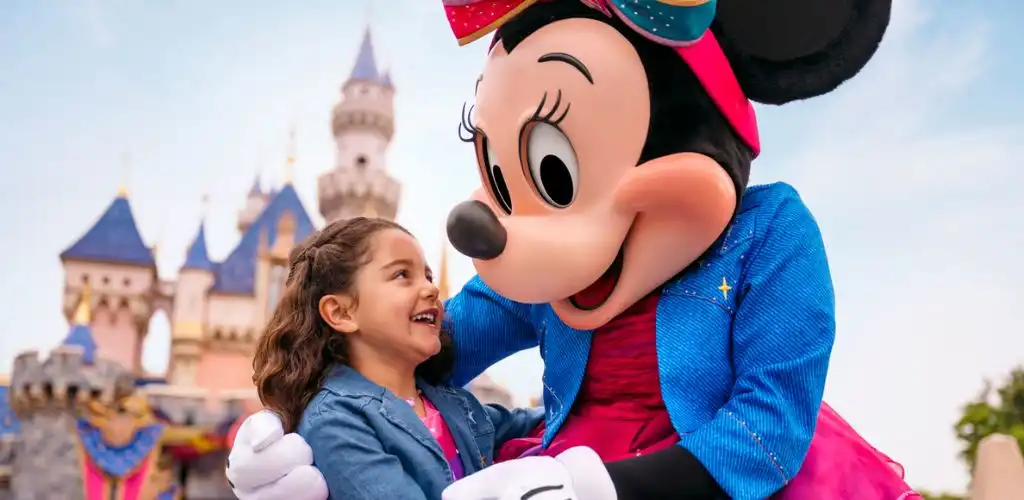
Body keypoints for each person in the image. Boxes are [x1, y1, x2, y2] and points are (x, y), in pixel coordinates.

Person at [227, 1, 921, 499]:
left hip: (715, 479)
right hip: (563, 462)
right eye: (501, 174)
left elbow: (769, 425)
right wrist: (298, 413)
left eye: (551, 171)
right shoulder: (537, 273)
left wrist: (599, 486)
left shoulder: (767, 232)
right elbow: (414, 348)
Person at [233, 217, 544, 500]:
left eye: (427, 275)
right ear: (340, 312)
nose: (431, 289)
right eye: (401, 275)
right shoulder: (337, 419)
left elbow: (546, 423)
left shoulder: (454, 405)